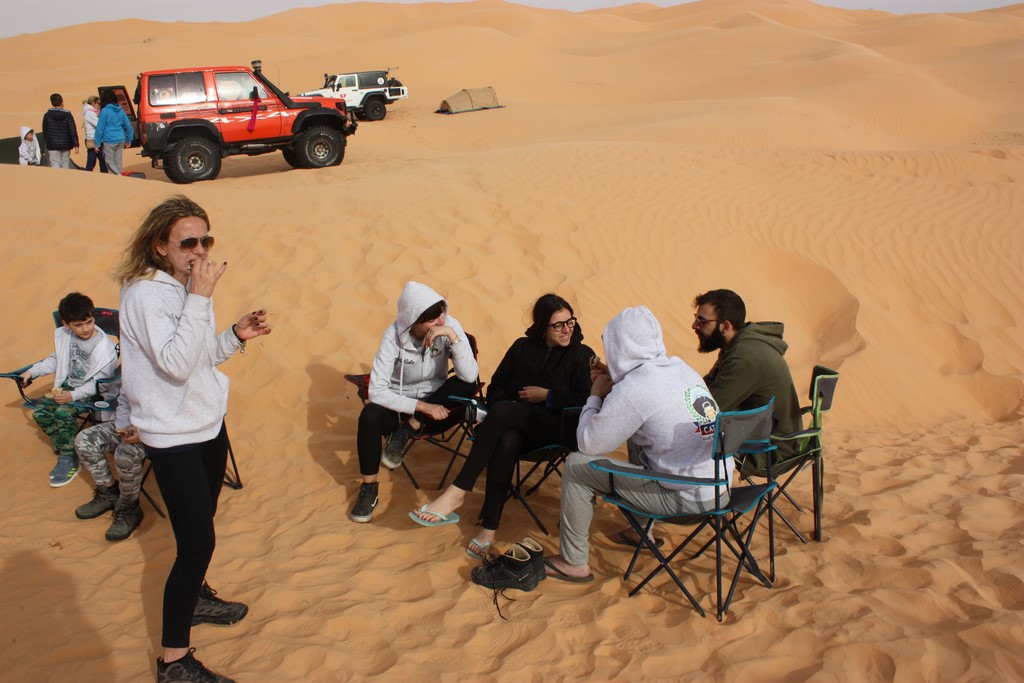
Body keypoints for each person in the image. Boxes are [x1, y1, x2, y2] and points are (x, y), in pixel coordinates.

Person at [116, 194, 271, 683]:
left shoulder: (186, 287)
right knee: (195, 545)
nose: (200, 251)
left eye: (206, 240)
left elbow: (198, 359)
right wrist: (201, 298)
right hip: (173, 435)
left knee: (204, 521)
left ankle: (196, 598)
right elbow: (176, 365)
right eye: (188, 243)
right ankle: (174, 662)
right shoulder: (146, 296)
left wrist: (234, 336)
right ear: (159, 246)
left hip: (207, 424)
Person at [542, 306, 722, 582]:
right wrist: (617, 378)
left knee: (577, 466)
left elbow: (588, 443)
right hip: (720, 489)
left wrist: (595, 395)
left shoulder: (635, 389)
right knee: (641, 437)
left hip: (686, 502)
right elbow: (646, 396)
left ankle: (572, 562)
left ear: (619, 346)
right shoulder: (680, 368)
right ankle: (639, 531)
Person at [409, 294, 594, 558]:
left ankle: (458, 490)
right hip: (511, 426)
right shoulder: (522, 347)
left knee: (505, 413)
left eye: (570, 322)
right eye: (558, 325)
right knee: (507, 439)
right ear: (543, 327)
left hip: (553, 430)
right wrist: (501, 408)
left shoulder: (582, 355)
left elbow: (588, 399)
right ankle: (488, 530)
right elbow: (497, 385)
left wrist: (548, 396)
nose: (566, 330)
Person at [349, 281, 479, 524]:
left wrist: (452, 337)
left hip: (438, 408)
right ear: (413, 321)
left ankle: (409, 430)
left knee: (467, 384)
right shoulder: (393, 337)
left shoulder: (449, 326)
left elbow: (470, 376)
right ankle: (369, 489)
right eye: (432, 319)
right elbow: (376, 391)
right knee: (369, 416)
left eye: (441, 313)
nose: (440, 321)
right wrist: (421, 407)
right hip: (404, 406)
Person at [692, 289, 801, 476]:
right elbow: (706, 387)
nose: (695, 325)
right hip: (762, 435)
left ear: (725, 326)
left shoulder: (744, 356)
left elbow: (708, 408)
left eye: (702, 321)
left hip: (771, 449)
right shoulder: (739, 345)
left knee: (685, 440)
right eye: (696, 318)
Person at [19, 292, 118, 487]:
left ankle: (68, 458)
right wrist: (32, 372)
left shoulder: (105, 348)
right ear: (66, 324)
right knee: (40, 414)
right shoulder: (65, 336)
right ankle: (68, 448)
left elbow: (100, 383)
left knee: (63, 413)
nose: (85, 329)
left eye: (89, 322)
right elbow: (56, 360)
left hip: (93, 393)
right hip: (67, 385)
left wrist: (72, 395)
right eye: (78, 325)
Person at [74, 381, 146, 541]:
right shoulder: (134, 367)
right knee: (84, 440)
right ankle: (108, 492)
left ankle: (129, 507)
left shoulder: (172, 370)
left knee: (125, 453)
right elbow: (124, 399)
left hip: (161, 434)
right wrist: (122, 427)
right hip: (129, 425)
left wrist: (143, 433)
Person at [93, 89, 133, 176]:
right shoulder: (121, 110)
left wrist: (97, 143)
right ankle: (118, 179)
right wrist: (129, 139)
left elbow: (100, 128)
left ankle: (119, 176)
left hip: (109, 140)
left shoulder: (105, 111)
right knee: (118, 161)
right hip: (121, 139)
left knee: (109, 161)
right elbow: (128, 127)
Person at [41, 93, 78, 169]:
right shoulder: (68, 115)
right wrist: (76, 144)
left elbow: (45, 130)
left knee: (55, 163)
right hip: (66, 143)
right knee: (65, 163)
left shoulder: (47, 115)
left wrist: (47, 141)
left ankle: (57, 177)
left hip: (52, 144)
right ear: (62, 102)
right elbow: (72, 130)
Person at [81, 95, 108, 173]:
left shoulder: (94, 112)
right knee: (91, 162)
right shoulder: (89, 113)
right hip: (92, 140)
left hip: (98, 139)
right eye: (98, 103)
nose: (100, 106)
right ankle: (87, 177)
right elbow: (99, 124)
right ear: (93, 103)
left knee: (103, 162)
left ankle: (104, 176)